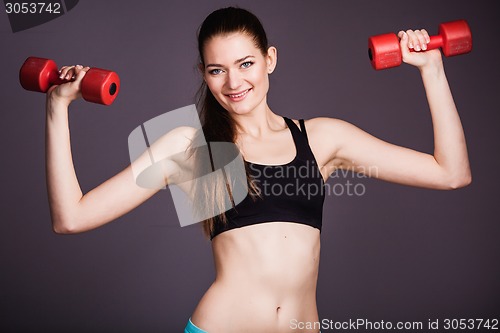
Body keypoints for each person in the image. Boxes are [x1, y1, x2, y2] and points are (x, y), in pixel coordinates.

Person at [45, 7, 471, 333]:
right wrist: (57, 108)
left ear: (269, 59)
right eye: (217, 70)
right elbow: (72, 218)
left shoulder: (322, 139)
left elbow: (450, 172)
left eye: (245, 63)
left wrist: (432, 69)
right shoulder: (194, 147)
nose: (233, 82)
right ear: (204, 75)